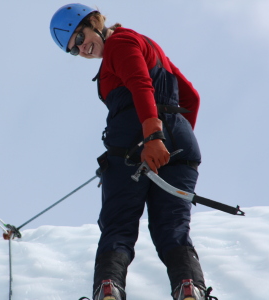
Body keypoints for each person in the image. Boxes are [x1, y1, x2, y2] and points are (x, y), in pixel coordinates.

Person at [50, 4, 217, 300]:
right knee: (172, 227)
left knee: (119, 225)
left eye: (78, 38)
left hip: (135, 148)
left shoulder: (120, 43)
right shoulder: (144, 44)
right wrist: (172, 139)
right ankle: (190, 288)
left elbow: (141, 84)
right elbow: (191, 96)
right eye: (73, 51)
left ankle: (108, 290)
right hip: (177, 147)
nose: (81, 49)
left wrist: (153, 136)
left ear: (92, 22)